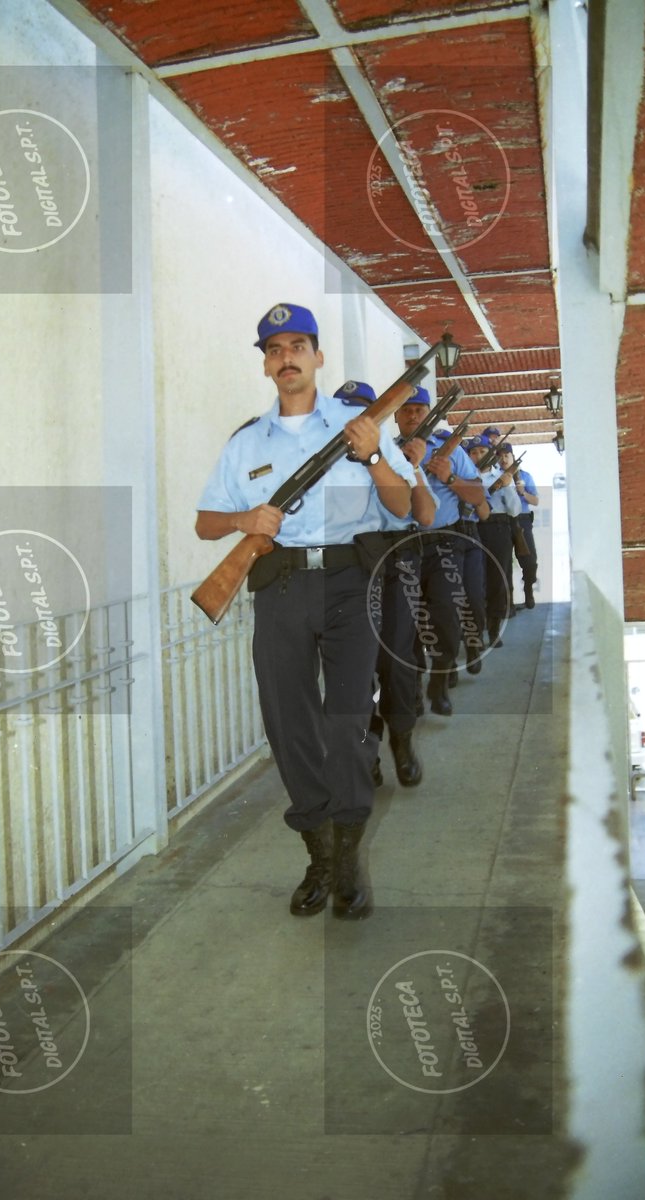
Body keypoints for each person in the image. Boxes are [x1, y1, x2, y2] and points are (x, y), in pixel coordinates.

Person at [196, 305, 416, 921]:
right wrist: (245, 521)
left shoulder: (360, 426)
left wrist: (374, 459)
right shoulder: (246, 443)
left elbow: (402, 508)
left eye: (297, 345)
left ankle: (347, 863)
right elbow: (206, 521)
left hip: (351, 583)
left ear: (318, 357)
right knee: (288, 726)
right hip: (281, 589)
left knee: (346, 722)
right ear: (266, 365)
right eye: (273, 348)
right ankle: (316, 853)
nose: (286, 356)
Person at [334, 380, 436, 789]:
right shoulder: (329, 459)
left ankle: (402, 743)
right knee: (355, 673)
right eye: (348, 412)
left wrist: (413, 468)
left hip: (398, 561)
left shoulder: (393, 455)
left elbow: (425, 515)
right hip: (349, 564)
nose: (356, 420)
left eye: (364, 412)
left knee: (396, 661)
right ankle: (367, 753)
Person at [416, 401, 486, 715]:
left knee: (445, 613)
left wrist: (448, 477)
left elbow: (478, 497)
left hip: (445, 541)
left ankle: (441, 678)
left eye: (420, 410)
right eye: (405, 409)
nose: (413, 415)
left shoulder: (451, 452)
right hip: (401, 545)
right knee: (406, 623)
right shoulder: (386, 450)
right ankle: (411, 688)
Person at [472, 436, 521, 647]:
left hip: (498, 530)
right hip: (473, 529)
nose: (478, 456)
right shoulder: (464, 478)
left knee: (497, 581)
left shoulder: (500, 477)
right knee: (474, 582)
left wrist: (507, 487)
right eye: (474, 452)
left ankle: (493, 629)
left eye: (483, 451)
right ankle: (474, 632)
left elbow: (515, 510)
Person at [498, 443, 539, 608]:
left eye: (507, 455)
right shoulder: (495, 477)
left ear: (513, 457)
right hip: (503, 521)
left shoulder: (525, 476)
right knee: (504, 563)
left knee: (530, 561)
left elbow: (535, 500)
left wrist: (523, 492)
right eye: (500, 456)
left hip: (522, 520)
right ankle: (509, 602)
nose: (503, 459)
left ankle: (529, 590)